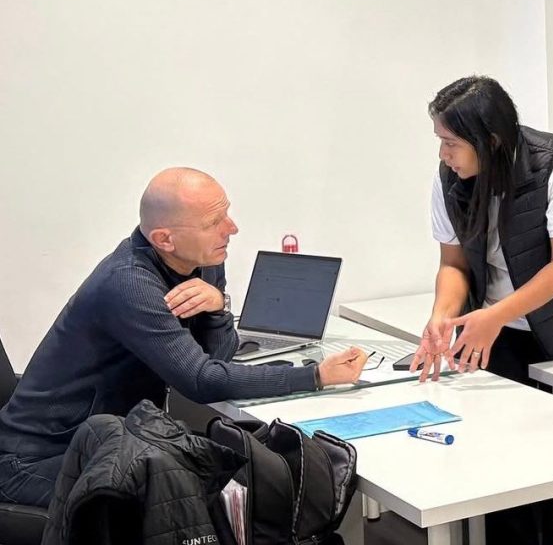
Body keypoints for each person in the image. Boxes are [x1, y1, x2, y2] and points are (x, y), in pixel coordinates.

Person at [0, 167, 366, 508]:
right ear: (165, 239)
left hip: (114, 441)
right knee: (192, 497)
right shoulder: (129, 283)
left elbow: (217, 358)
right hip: (38, 460)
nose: (232, 228)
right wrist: (315, 376)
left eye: (227, 213)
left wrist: (217, 306)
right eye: (213, 222)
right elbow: (201, 381)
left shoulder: (203, 259)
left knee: (233, 468)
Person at [411, 76, 553, 545]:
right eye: (440, 141)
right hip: (502, 328)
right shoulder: (449, 178)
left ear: (490, 140)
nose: (443, 155)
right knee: (504, 461)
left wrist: (491, 317)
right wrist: (442, 315)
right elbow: (453, 263)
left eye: (451, 143)